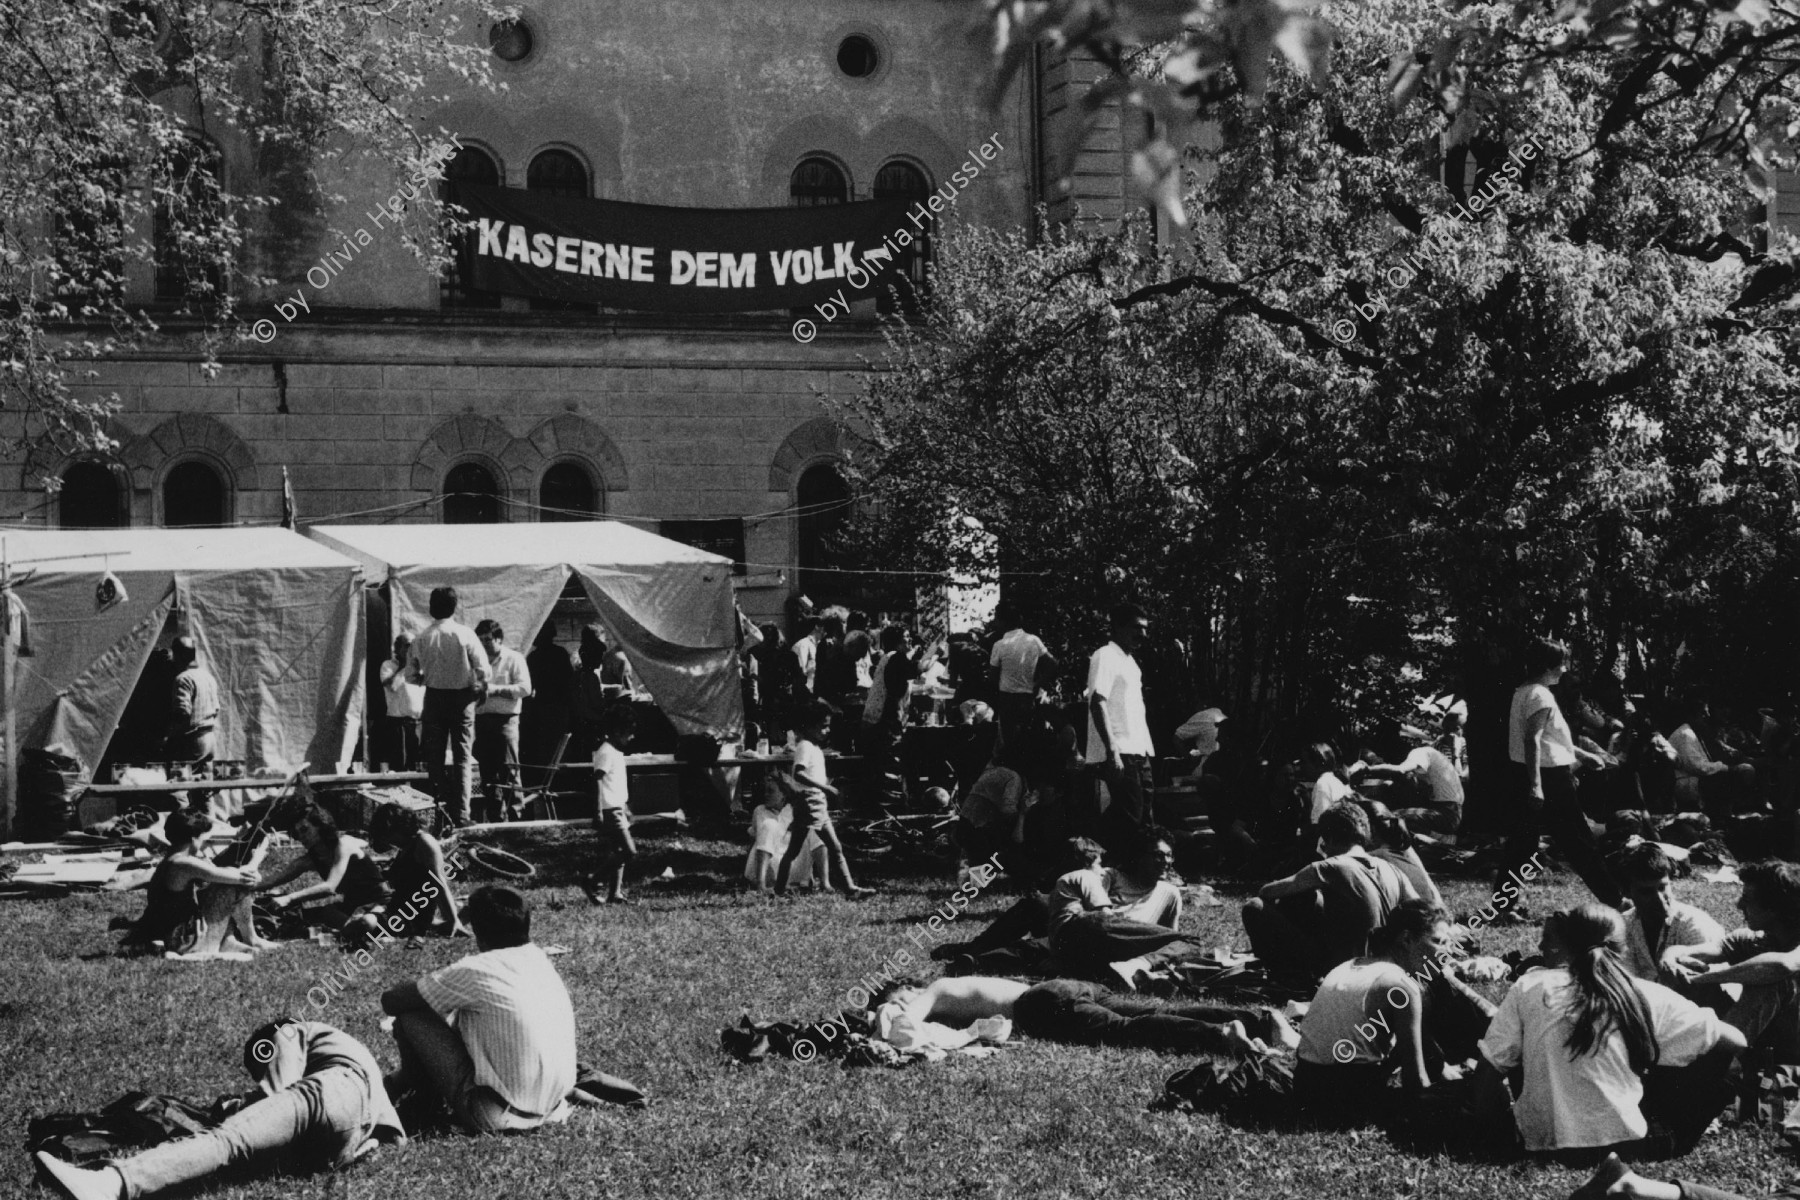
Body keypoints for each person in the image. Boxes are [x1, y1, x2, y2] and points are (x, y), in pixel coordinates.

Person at [1472, 903, 1746, 1157]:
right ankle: (1668, 1128)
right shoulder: (1644, 992)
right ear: (1624, 950)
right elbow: (1736, 1041)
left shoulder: (1530, 985)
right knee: (1726, 1061)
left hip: (1542, 1142)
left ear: (1565, 944)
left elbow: (1489, 1068)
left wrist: (1493, 1133)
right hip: (1628, 1145)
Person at [33, 1020, 405, 1200]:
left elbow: (280, 1089)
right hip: (348, 1138)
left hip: (327, 1095)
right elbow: (394, 1136)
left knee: (228, 1141)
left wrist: (243, 1105)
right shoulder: (360, 1058)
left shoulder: (290, 1031)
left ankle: (111, 1184)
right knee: (248, 1156)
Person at [380, 886, 578, 1135]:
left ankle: (422, 1101)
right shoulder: (540, 960)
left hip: (498, 1114)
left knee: (411, 1016)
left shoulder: (476, 969)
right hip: (555, 1108)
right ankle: (405, 1088)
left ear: (477, 930)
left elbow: (393, 1001)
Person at [1295, 900, 1482, 1122]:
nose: (1446, 952)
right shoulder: (1401, 986)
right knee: (1477, 1097)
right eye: (1438, 942)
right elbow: (1416, 1086)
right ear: (1406, 939)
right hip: (1347, 1099)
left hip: (1304, 1086)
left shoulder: (1348, 965)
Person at [872, 975, 1288, 1057]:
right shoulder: (956, 984)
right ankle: (1262, 1019)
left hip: (1041, 1005)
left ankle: (1220, 1035)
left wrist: (885, 1015)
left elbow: (906, 1022)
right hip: (1062, 986)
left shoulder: (933, 989)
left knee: (1129, 1031)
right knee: (1159, 1011)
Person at [1499, 637, 1622, 910]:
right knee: (1579, 842)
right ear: (1550, 665)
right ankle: (1616, 900)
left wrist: (1582, 755)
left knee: (1522, 846)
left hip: (1532, 774)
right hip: (1549, 779)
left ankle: (1502, 907)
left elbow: (1546, 742)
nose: (1564, 670)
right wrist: (1536, 786)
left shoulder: (1523, 691)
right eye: (1562, 663)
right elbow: (1532, 740)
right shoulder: (1540, 694)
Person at [1240, 800, 1417, 981]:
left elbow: (1267, 892)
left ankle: (1287, 977)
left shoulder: (1330, 867)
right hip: (1385, 967)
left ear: (1328, 839)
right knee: (1311, 898)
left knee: (1254, 906)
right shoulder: (1392, 870)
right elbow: (1422, 910)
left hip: (1344, 969)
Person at [1663, 860, 1800, 1064]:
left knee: (1773, 981)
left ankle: (1708, 1065)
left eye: (1747, 899)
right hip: (1761, 1046)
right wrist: (1670, 959)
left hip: (1791, 1056)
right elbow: (1690, 952)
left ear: (1773, 909)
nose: (1738, 905)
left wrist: (1704, 979)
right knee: (1686, 969)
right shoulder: (1754, 940)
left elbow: (1782, 965)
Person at [1053, 830, 1205, 990]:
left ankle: (1134, 967)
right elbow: (1094, 915)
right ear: (1140, 856)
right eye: (1158, 855)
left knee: (1191, 943)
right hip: (1102, 935)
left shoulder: (1170, 893)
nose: (1165, 861)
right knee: (1095, 921)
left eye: (1169, 855)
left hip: (1129, 948)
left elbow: (1168, 939)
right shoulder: (1111, 876)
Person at [930, 837, 1107, 974]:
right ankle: (975, 952)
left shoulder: (1098, 881)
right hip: (1065, 930)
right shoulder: (1081, 879)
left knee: (1031, 929)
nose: (1102, 869)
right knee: (1033, 909)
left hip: (1074, 938)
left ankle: (976, 954)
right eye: (1098, 864)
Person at [121, 809, 272, 960]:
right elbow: (243, 879)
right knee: (234, 886)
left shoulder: (172, 860)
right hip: (184, 941)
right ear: (194, 839)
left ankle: (228, 941)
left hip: (173, 936)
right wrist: (258, 857)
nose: (203, 843)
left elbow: (218, 872)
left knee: (219, 884)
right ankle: (251, 939)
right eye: (203, 839)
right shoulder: (184, 864)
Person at [406, 586, 490, 827]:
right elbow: (484, 669)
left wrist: (428, 679)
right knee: (463, 757)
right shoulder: (465, 635)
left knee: (435, 759)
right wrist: (476, 684)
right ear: (454, 607)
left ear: (432, 608)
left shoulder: (423, 637)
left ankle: (438, 813)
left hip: (433, 698)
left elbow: (410, 676)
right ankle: (462, 814)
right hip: (462, 699)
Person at [774, 698, 874, 898]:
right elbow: (799, 774)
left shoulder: (814, 748)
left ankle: (849, 889)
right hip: (809, 803)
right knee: (827, 847)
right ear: (808, 727)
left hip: (816, 803)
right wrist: (825, 787)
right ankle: (849, 889)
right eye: (823, 727)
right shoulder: (804, 747)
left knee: (814, 848)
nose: (827, 731)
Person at [257, 803, 392, 935]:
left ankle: (354, 929)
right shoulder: (309, 859)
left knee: (364, 923)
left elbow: (329, 887)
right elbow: (272, 880)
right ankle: (345, 930)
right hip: (352, 905)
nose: (302, 837)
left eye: (305, 830)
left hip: (380, 901)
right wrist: (242, 883)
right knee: (319, 913)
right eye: (297, 834)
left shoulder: (343, 844)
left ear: (321, 825)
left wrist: (289, 898)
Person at [1614, 842, 1727, 996]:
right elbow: (1622, 984)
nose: (1659, 900)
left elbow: (1710, 988)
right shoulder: (1623, 926)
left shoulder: (1693, 924)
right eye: (1646, 892)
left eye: (1662, 887)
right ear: (1626, 892)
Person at [1086, 603, 1153, 848]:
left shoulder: (1131, 663)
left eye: (1145, 629)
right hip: (1119, 749)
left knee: (1143, 813)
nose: (1142, 635)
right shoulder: (1104, 655)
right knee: (1130, 813)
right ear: (1117, 627)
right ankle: (1084, 855)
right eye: (1136, 628)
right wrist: (1112, 749)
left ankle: (1138, 873)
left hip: (1139, 749)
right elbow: (1098, 702)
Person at [346, 804, 464, 942]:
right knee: (355, 922)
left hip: (411, 914)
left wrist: (453, 920)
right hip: (396, 908)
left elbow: (438, 882)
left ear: (398, 828)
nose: (388, 841)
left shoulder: (424, 842)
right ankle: (435, 926)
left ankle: (430, 927)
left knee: (365, 923)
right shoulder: (406, 846)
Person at [472, 619, 532, 824]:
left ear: (499, 639)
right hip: (482, 720)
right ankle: (497, 821)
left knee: (509, 770)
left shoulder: (514, 659)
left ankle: (517, 819)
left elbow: (525, 689)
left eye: (488, 640)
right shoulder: (477, 662)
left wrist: (496, 690)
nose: (484, 644)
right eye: (480, 640)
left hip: (506, 721)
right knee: (488, 775)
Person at [1358, 727, 1464, 834]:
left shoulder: (1420, 752)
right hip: (1452, 814)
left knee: (1392, 818)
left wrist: (1366, 770)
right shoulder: (1434, 765)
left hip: (1446, 814)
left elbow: (1400, 770)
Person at [587, 706, 637, 905]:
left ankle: (615, 893)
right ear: (618, 732)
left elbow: (615, 784)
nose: (632, 737)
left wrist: (626, 807)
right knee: (629, 851)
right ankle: (593, 880)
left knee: (618, 851)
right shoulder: (606, 751)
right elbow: (597, 780)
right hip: (609, 808)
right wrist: (598, 810)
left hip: (617, 807)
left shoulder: (615, 751)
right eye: (629, 733)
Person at [988, 603, 1056, 748]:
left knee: (1009, 744)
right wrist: (1037, 684)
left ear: (1002, 621)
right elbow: (1053, 664)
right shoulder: (1033, 640)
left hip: (1007, 699)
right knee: (1027, 742)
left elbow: (993, 677)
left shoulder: (999, 645)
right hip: (1027, 698)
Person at [744, 785, 828, 892]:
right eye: (765, 791)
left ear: (784, 794)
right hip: (769, 869)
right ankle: (761, 885)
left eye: (770, 791)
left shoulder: (796, 809)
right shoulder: (760, 810)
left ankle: (825, 883)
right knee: (769, 825)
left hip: (793, 868)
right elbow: (754, 839)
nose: (766, 795)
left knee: (814, 829)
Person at [522, 626, 575, 786]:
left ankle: (548, 778)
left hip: (544, 706)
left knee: (546, 747)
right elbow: (569, 681)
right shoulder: (560, 654)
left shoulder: (534, 657)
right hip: (558, 706)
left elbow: (531, 685)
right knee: (557, 746)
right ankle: (557, 778)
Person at [166, 636, 220, 765]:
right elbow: (216, 709)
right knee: (204, 779)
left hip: (192, 740)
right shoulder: (208, 677)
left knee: (182, 780)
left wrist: (169, 736)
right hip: (210, 739)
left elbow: (182, 712)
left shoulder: (183, 679)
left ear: (177, 655)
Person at [378, 633, 424, 770]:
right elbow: (391, 686)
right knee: (401, 765)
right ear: (397, 648)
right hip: (399, 723)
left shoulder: (420, 667)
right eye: (407, 645)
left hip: (419, 723)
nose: (411, 649)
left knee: (418, 764)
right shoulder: (388, 666)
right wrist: (405, 666)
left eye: (413, 646)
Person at [1304, 742, 1353, 826]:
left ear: (1317, 763)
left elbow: (1320, 822)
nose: (1303, 766)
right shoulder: (1336, 780)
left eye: (1306, 762)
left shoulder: (1322, 784)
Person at [789, 616, 819, 695]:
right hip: (807, 695)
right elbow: (801, 673)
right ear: (817, 627)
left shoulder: (817, 645)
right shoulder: (803, 645)